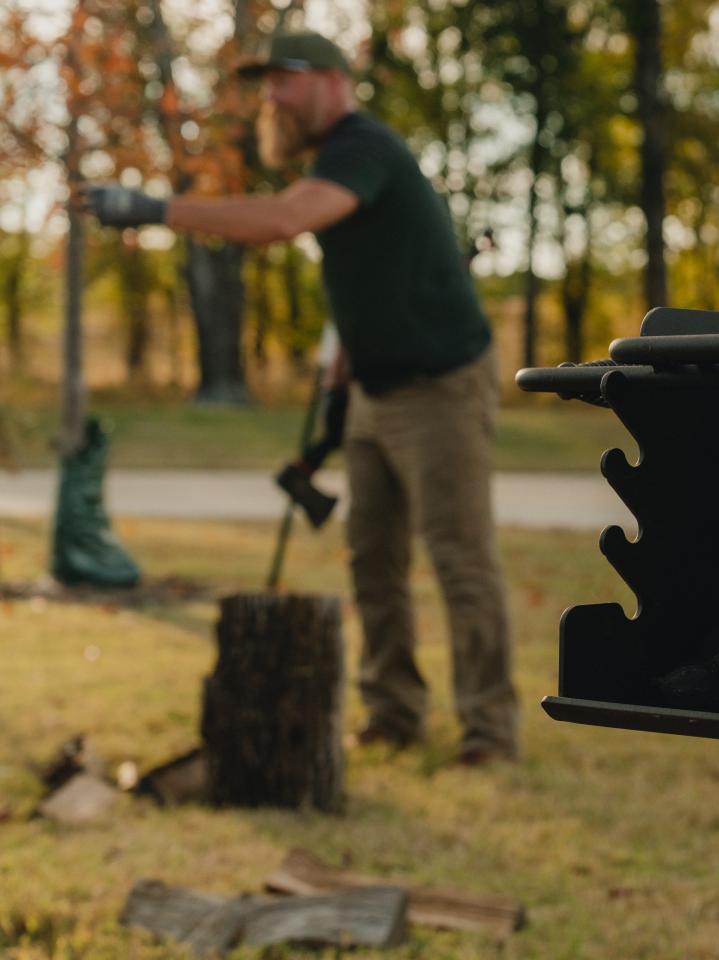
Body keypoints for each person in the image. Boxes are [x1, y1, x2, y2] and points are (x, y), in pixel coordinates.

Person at [86, 31, 518, 767]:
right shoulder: (334, 161)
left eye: (285, 80)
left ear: (331, 81)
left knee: (459, 558)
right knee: (370, 559)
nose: (272, 98)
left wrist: (153, 210)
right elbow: (368, 282)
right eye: (268, 84)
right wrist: (336, 390)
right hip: (374, 385)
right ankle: (394, 711)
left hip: (442, 383)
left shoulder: (363, 147)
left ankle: (489, 733)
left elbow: (285, 220)